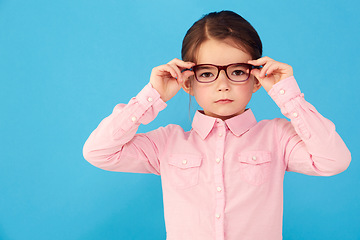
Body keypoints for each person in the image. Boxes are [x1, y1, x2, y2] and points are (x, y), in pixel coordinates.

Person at [83, 10, 351, 240]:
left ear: (256, 78)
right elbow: (98, 152)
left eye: (236, 72)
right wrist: (151, 96)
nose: (223, 84)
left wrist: (288, 94)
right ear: (188, 81)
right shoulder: (166, 143)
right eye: (207, 73)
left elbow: (334, 161)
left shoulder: (277, 137)